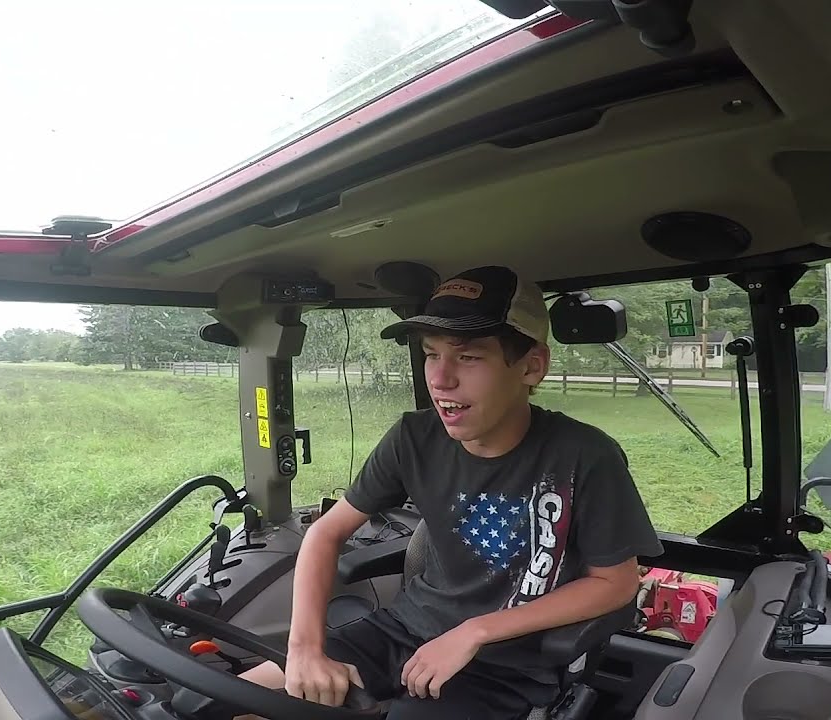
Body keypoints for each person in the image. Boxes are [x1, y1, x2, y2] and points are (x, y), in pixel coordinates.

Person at [237, 265, 663, 720]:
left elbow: (615, 583)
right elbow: (326, 532)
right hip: (404, 631)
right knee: (234, 698)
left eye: (468, 357)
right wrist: (304, 649)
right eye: (430, 353)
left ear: (530, 366)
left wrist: (475, 631)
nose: (439, 380)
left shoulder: (585, 455)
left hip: (508, 665)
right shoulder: (413, 438)